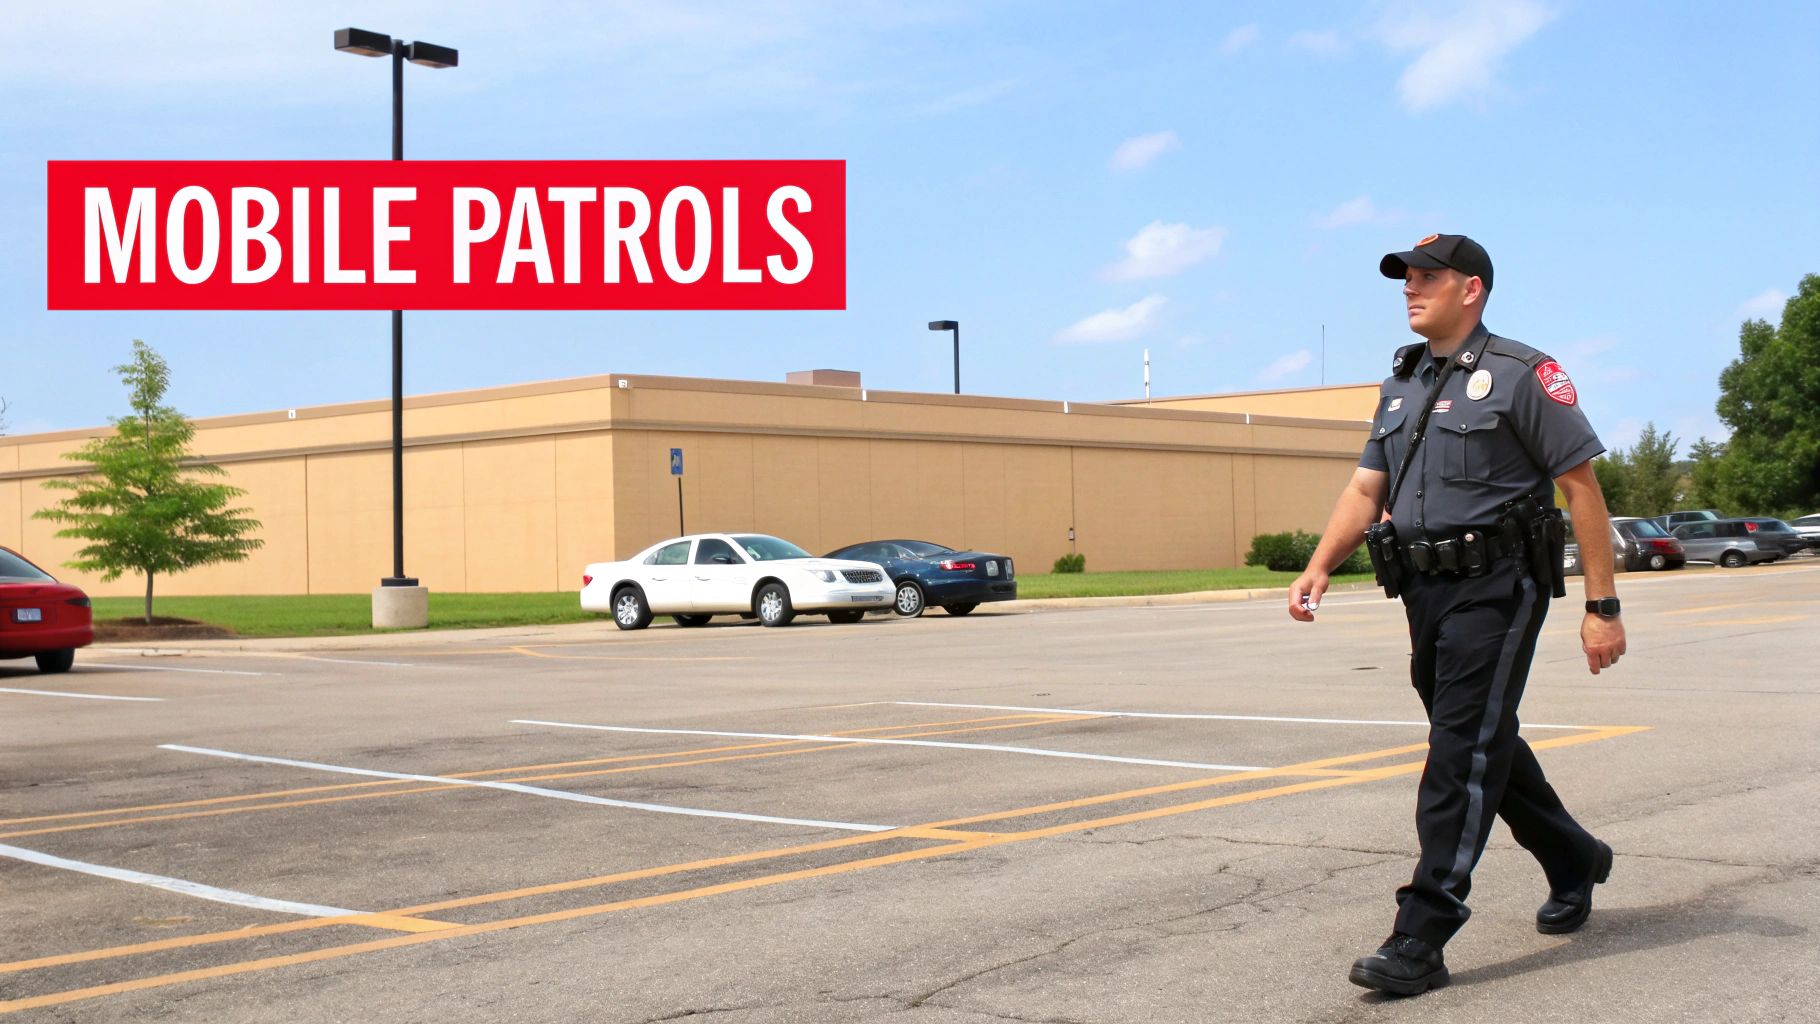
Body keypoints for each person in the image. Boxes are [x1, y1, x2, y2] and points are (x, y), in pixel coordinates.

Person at [1287, 233, 1628, 996]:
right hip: (1423, 589)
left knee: (1457, 752)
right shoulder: (1402, 382)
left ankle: (1422, 932)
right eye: (1406, 278)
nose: (1411, 289)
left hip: (1499, 586)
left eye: (1427, 278)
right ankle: (1573, 855)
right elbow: (1364, 490)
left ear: (1470, 289)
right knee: (1478, 737)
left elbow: (1582, 491)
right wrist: (1319, 563)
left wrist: (1602, 606)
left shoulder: (1522, 375)